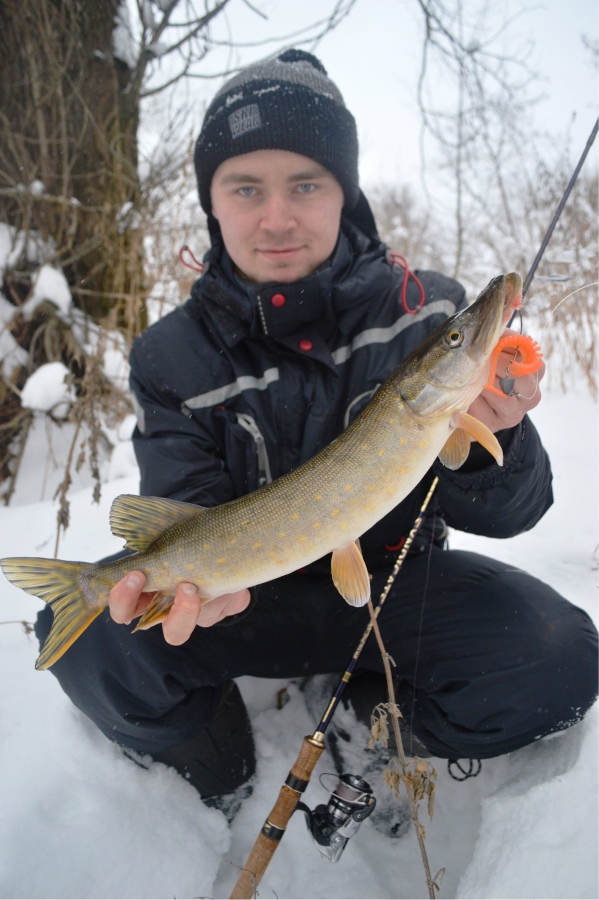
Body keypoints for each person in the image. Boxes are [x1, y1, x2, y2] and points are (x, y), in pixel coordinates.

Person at [36, 50, 597, 805]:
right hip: (243, 600)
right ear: (212, 202)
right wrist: (190, 588)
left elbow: (513, 513)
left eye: (305, 184)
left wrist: (494, 436)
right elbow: (187, 502)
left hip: (394, 587)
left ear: (345, 194)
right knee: (89, 640)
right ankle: (221, 766)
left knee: (558, 655)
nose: (277, 217)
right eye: (246, 187)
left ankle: (375, 718)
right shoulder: (170, 353)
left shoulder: (426, 312)